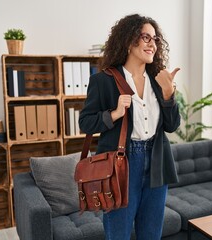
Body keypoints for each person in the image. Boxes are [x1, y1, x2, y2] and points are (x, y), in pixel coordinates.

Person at [79, 13, 181, 240]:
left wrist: (168, 94)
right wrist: (114, 114)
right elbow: (84, 122)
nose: (152, 44)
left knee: (151, 234)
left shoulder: (159, 80)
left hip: (157, 161)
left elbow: (172, 126)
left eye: (155, 39)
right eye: (146, 37)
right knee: (119, 234)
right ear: (128, 40)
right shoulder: (104, 80)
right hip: (121, 164)